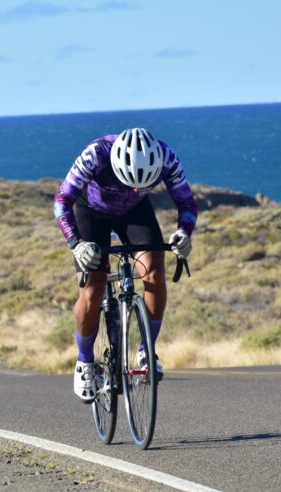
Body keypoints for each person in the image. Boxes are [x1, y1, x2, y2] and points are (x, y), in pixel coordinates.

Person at [53, 128, 197, 403]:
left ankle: (146, 349)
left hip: (134, 212)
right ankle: (84, 362)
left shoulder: (166, 157)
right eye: (131, 183)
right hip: (90, 211)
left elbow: (186, 201)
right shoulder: (95, 154)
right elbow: (62, 202)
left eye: (144, 186)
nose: (136, 189)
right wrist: (76, 243)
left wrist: (184, 233)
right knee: (92, 288)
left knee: (154, 271)